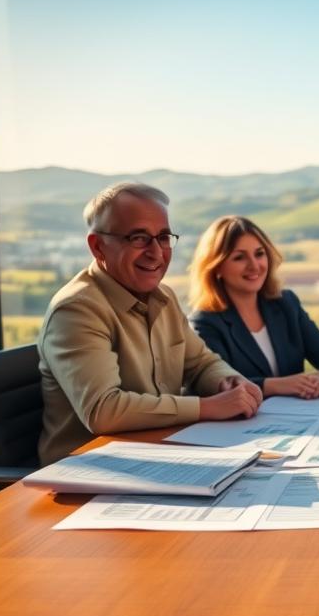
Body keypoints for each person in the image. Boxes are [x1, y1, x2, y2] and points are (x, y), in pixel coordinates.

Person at [37, 183, 262, 465]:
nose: (156, 252)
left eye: (164, 237)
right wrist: (207, 407)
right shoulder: (77, 309)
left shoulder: (164, 297)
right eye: (139, 238)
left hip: (158, 456)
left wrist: (227, 381)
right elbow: (104, 410)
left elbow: (201, 363)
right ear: (98, 246)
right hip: (91, 474)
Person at [188, 216, 319, 398]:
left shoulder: (286, 303)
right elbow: (219, 384)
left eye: (259, 254)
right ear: (216, 268)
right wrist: (276, 385)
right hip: (242, 422)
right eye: (239, 257)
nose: (254, 266)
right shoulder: (204, 323)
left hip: (297, 416)